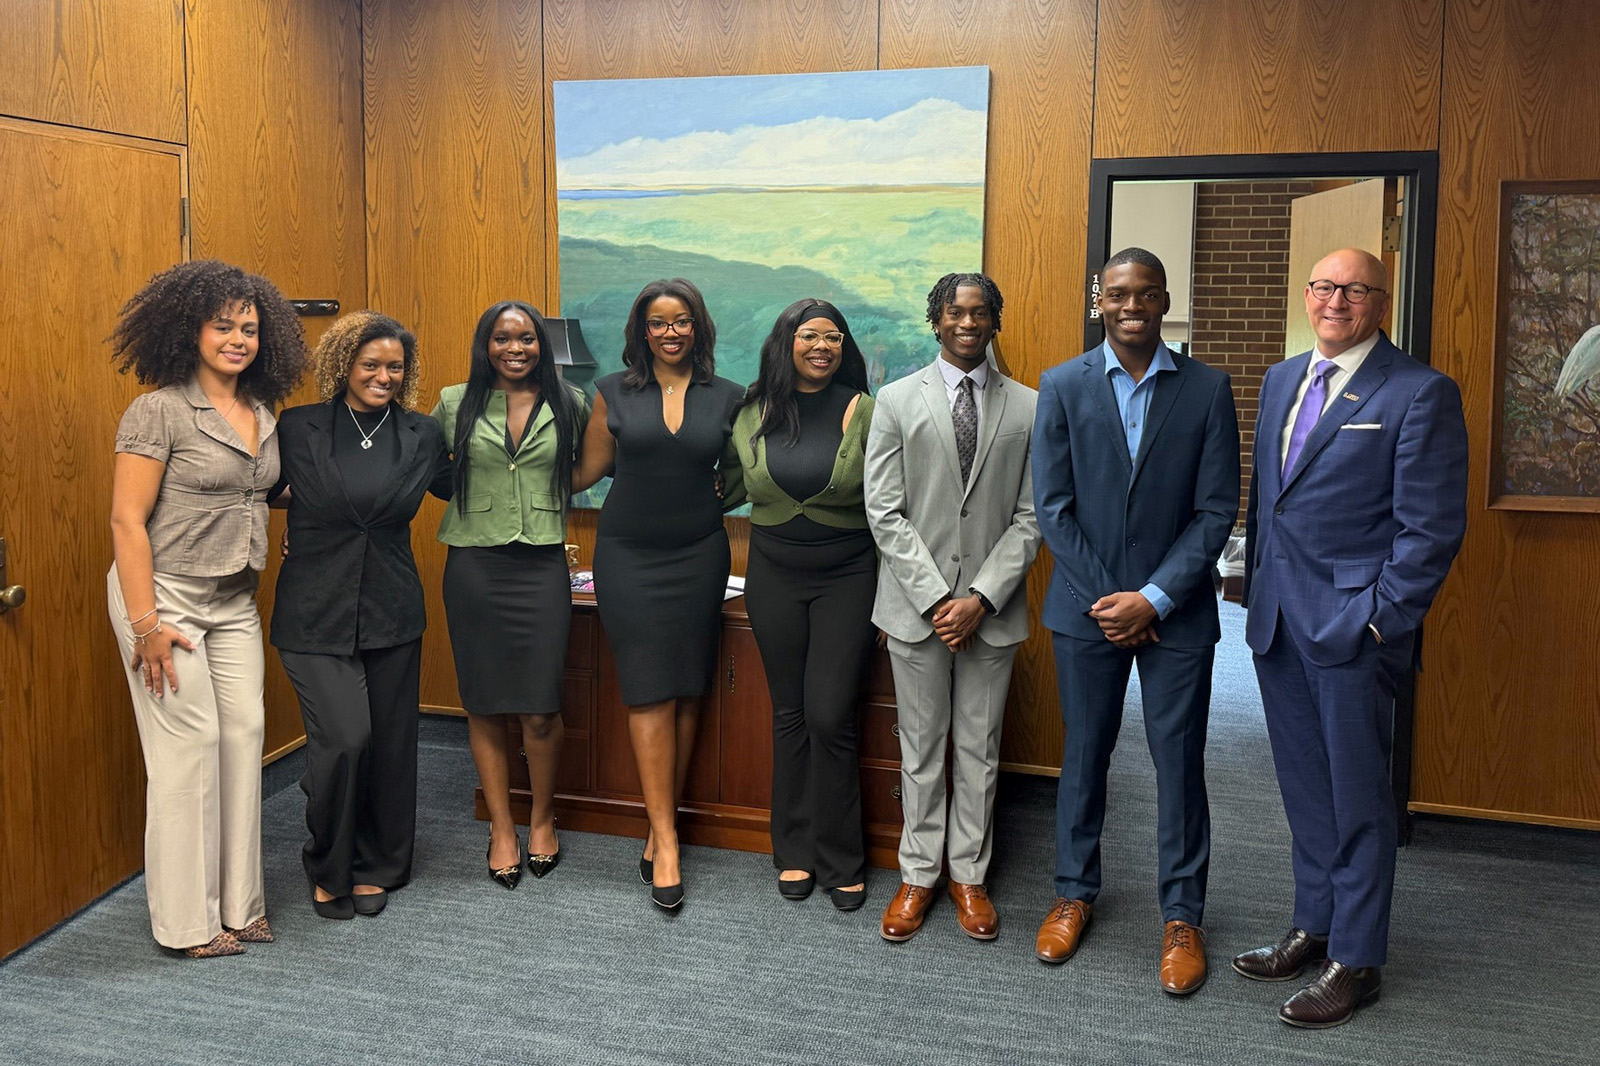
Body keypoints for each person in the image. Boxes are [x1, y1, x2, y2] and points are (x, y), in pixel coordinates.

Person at [1236, 248, 1468, 1028]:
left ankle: (1358, 959)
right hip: (1275, 620)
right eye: (1326, 287)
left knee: (1360, 797)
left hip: (1351, 630)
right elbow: (1270, 501)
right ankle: (1317, 924)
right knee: (1305, 788)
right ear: (1306, 295)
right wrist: (1254, 586)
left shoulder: (1418, 392)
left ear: (1381, 302)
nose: (1337, 300)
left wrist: (1377, 619)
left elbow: (1430, 529)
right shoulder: (1279, 378)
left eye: (1356, 289)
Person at [1030, 248, 1240, 993]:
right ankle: (1073, 892)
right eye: (1118, 294)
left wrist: (1152, 598)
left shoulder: (1207, 389)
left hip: (1175, 615)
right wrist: (1113, 602)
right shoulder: (1061, 385)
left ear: (1164, 301)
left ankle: (1183, 914)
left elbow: (1218, 509)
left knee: (1178, 764)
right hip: (1088, 611)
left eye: (1146, 295)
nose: (1131, 306)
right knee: (1084, 756)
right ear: (1099, 300)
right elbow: (1052, 508)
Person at [107, 259, 307, 957]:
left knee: (243, 737)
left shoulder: (261, 412)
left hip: (232, 600)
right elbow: (127, 522)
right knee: (185, 754)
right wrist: (146, 625)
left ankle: (240, 905)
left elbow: (259, 491)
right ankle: (188, 924)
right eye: (222, 325)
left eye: (249, 328)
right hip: (163, 597)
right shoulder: (158, 409)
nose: (237, 339)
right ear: (188, 330)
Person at [864, 272, 1041, 943]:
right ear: (934, 321)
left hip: (990, 612)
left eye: (980, 313)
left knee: (980, 748)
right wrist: (941, 598)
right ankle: (918, 876)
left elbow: (1031, 517)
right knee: (920, 750)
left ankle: (968, 876)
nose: (967, 323)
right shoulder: (895, 399)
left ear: (996, 321)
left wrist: (981, 597)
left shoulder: (1028, 406)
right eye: (954, 312)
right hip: (917, 610)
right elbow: (883, 511)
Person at [270, 311, 450, 919]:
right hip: (314, 607)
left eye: (394, 367)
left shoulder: (423, 434)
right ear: (342, 365)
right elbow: (257, 489)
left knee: (392, 744)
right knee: (345, 739)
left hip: (392, 607)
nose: (382, 376)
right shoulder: (297, 427)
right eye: (369, 364)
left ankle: (378, 863)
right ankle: (329, 861)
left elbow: (468, 486)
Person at [573, 278, 744, 910]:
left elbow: (741, 476)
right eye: (657, 323)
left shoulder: (729, 396)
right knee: (647, 687)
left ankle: (659, 821)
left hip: (700, 554)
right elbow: (586, 472)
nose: (670, 332)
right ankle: (666, 839)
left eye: (681, 321)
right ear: (641, 332)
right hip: (628, 556)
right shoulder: (611, 393)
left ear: (697, 327)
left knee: (687, 686)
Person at [719, 299, 878, 911]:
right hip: (772, 576)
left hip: (849, 575)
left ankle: (842, 857)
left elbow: (893, 500)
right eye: (809, 335)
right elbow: (722, 485)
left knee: (830, 714)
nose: (821, 346)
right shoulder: (751, 412)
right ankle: (793, 851)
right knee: (788, 711)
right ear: (785, 341)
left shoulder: (865, 411)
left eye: (833, 337)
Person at [432, 301, 588, 890]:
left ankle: (542, 817)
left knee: (541, 707)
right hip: (474, 564)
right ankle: (502, 827)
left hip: (541, 563)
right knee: (485, 703)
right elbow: (425, 469)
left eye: (526, 338)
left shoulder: (570, 402)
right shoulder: (453, 402)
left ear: (540, 346)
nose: (515, 348)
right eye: (503, 338)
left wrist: (548, 496)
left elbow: (593, 463)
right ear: (486, 344)